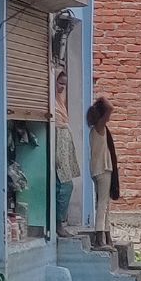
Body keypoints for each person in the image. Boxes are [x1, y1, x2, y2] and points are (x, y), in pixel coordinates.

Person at [86, 97, 118, 250]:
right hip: (103, 169)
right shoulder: (100, 127)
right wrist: (100, 102)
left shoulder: (94, 129)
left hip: (97, 169)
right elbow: (110, 107)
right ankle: (100, 239)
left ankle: (107, 237)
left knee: (104, 204)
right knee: (103, 204)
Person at [53, 71, 80, 237]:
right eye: (59, 83)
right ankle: (57, 224)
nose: (61, 87)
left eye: (64, 84)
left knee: (66, 184)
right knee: (64, 186)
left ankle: (59, 224)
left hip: (63, 145)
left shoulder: (60, 103)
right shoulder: (51, 103)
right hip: (57, 147)